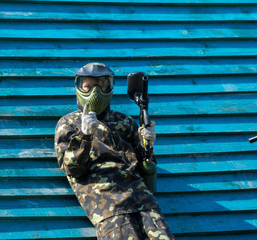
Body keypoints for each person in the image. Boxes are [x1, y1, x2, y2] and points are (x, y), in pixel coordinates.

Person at [54, 62, 175, 240]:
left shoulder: (124, 122)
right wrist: (85, 135)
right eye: (88, 86)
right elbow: (72, 169)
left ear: (110, 87)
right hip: (108, 205)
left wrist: (148, 143)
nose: (95, 92)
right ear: (79, 87)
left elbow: (146, 165)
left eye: (102, 85)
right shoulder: (69, 124)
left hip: (143, 200)